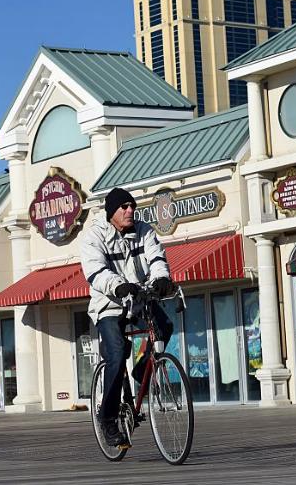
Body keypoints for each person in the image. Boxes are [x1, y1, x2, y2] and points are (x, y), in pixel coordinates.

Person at [80, 187, 174, 448]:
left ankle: (144, 368)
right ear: (111, 212)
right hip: (108, 305)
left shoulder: (144, 231)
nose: (130, 210)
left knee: (165, 326)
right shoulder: (94, 237)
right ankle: (107, 418)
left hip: (139, 299)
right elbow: (95, 271)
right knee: (117, 352)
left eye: (132, 206)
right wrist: (118, 285)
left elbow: (156, 258)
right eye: (124, 207)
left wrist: (162, 279)